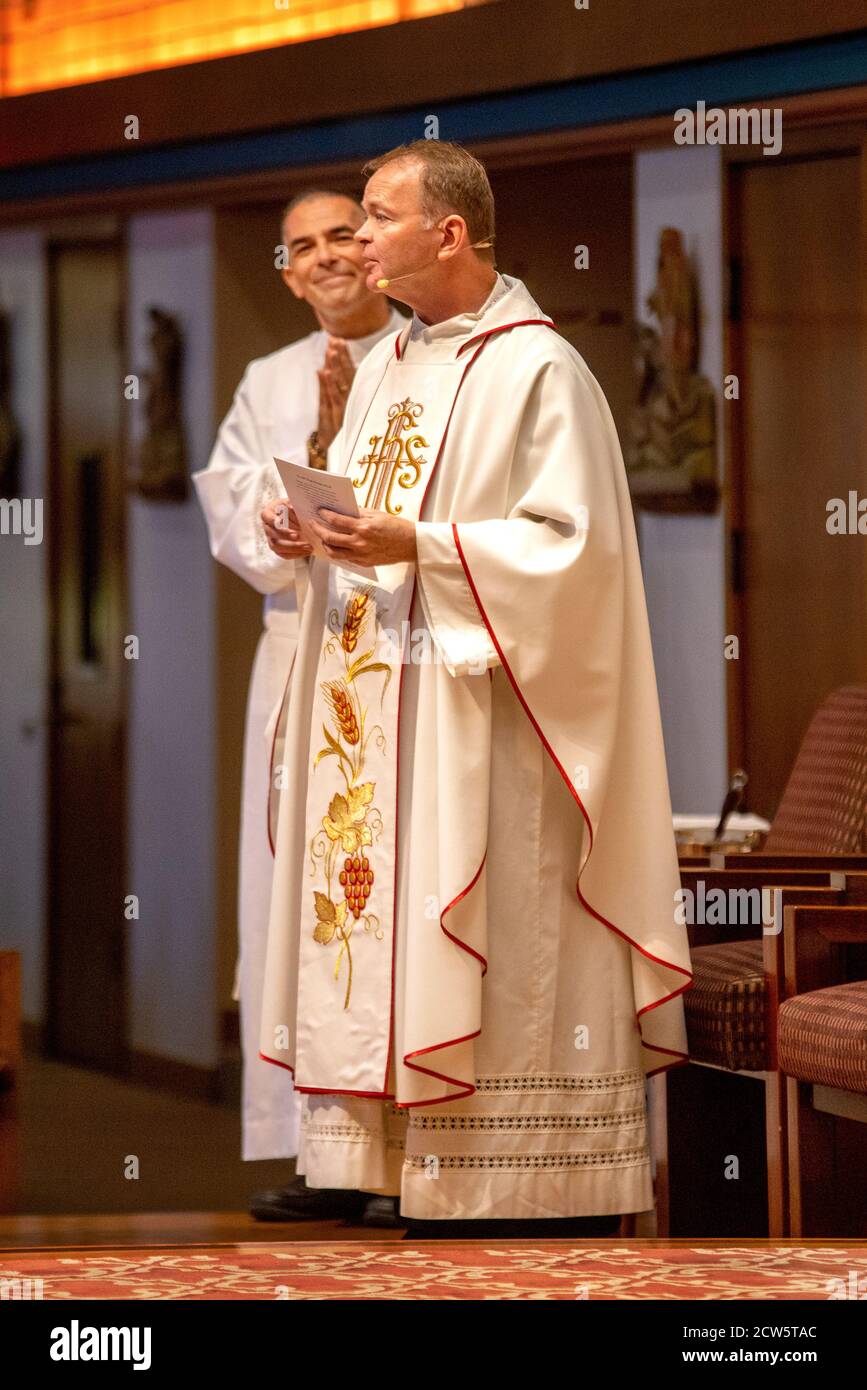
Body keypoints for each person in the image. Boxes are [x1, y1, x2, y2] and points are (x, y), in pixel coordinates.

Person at [258, 142, 693, 1238]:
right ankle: (391, 1164)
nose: (359, 237)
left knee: (493, 930)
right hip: (384, 720)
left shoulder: (539, 369)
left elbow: (574, 553)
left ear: (448, 232)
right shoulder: (389, 364)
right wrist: (309, 531)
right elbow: (366, 513)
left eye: (376, 216)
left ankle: (521, 1180)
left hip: (489, 720)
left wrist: (421, 544)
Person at [192, 189, 406, 1225]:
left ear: (375, 250)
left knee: (391, 890)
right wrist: (295, 495)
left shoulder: (432, 356)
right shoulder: (268, 378)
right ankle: (325, 1153)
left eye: (343, 236)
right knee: (292, 896)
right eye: (303, 247)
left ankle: (412, 1149)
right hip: (299, 655)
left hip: (400, 651)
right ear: (285, 275)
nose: (326, 257)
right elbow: (236, 516)